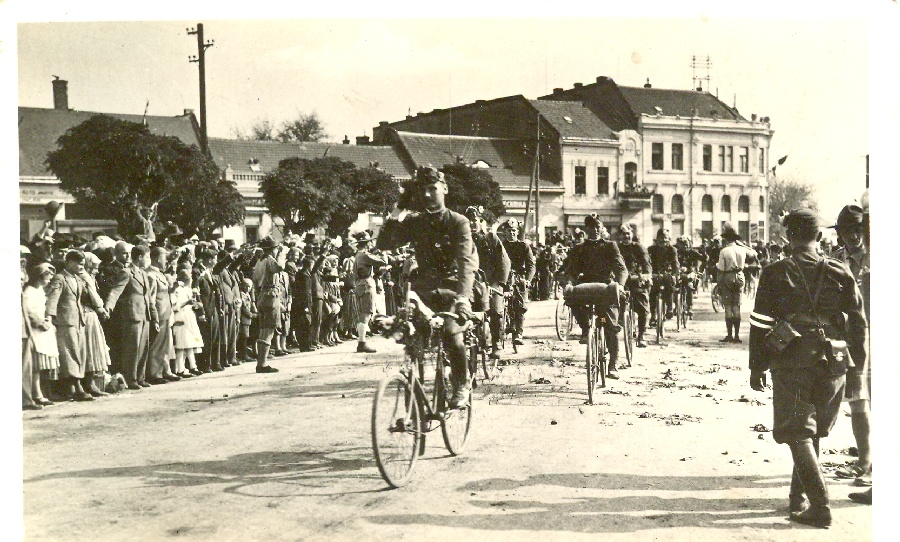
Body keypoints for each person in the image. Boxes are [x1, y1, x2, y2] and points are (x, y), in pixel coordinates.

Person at [748, 209, 867, 528]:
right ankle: (796, 499)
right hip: (835, 360)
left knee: (798, 429)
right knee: (810, 428)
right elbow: (858, 322)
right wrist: (858, 367)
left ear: (789, 237)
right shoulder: (841, 271)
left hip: (791, 358)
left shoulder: (774, 272)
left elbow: (760, 323)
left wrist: (757, 366)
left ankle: (820, 504)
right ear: (818, 237)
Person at [378, 165, 479, 408]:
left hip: (453, 291)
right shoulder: (416, 222)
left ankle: (461, 384)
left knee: (453, 337)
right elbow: (385, 243)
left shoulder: (458, 222)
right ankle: (414, 393)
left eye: (433, 189)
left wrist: (463, 298)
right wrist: (397, 211)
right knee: (412, 340)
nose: (427, 195)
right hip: (422, 292)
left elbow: (466, 261)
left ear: (444, 189)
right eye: (423, 190)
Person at [829, 205, 872, 491]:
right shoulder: (835, 260)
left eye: (857, 230)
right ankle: (865, 461)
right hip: (851, 337)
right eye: (846, 231)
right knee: (858, 399)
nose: (852, 236)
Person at [564, 213, 629, 379]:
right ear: (586, 229)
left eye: (597, 226)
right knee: (570, 298)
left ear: (602, 228)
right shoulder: (579, 248)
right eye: (591, 227)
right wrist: (570, 283)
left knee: (610, 325)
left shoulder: (610, 246)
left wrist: (620, 285)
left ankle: (613, 365)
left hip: (605, 290)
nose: (594, 230)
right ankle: (586, 328)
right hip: (584, 290)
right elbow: (571, 270)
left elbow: (621, 268)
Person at [46, 250, 94, 400]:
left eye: (83, 264)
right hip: (65, 321)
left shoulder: (78, 279)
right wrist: (49, 317)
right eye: (79, 264)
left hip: (78, 320)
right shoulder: (60, 278)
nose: (81, 267)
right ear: (69, 262)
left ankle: (73, 387)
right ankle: (76, 387)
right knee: (70, 354)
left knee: (78, 352)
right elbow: (53, 299)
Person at [465, 206, 511, 360]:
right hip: (470, 284)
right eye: (469, 221)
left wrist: (499, 283)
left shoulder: (492, 239)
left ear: (481, 221)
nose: (472, 224)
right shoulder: (464, 240)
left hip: (492, 283)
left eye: (475, 220)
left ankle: (497, 342)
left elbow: (504, 262)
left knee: (496, 311)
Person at [23, 262, 60, 408]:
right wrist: (40, 323)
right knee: (36, 365)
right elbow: (29, 312)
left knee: (44, 365)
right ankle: (37, 394)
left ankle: (45, 392)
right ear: (40, 276)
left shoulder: (40, 291)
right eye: (47, 276)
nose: (50, 279)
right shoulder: (29, 292)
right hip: (36, 330)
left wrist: (47, 320)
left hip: (44, 330)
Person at [498, 218, 535, 346]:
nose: (511, 233)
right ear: (505, 232)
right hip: (504, 277)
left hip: (519, 278)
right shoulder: (501, 246)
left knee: (520, 305)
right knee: (497, 303)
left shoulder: (523, 246)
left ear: (517, 232)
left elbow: (531, 265)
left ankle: (518, 333)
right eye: (509, 231)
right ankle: (499, 331)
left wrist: (528, 280)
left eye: (514, 231)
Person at [146, 246, 180, 384]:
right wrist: (154, 316)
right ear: (157, 258)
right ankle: (155, 373)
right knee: (157, 344)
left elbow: (164, 292)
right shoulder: (150, 275)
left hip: (166, 312)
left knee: (166, 344)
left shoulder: (159, 273)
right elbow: (151, 298)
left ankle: (165, 370)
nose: (165, 260)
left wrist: (174, 288)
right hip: (159, 314)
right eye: (164, 257)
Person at [80, 252, 112, 396]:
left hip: (90, 313)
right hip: (87, 314)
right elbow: (94, 298)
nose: (97, 270)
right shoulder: (85, 277)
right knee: (91, 348)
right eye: (94, 267)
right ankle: (89, 384)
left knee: (91, 348)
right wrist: (102, 309)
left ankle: (90, 383)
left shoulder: (89, 277)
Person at [251, 236, 284, 373]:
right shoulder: (270, 260)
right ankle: (262, 363)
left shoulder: (259, 261)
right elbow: (280, 267)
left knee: (263, 329)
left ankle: (261, 362)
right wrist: (281, 254)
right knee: (269, 329)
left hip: (262, 295)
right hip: (271, 294)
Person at [617, 223, 652, 348]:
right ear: (619, 236)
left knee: (642, 306)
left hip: (636, 279)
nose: (626, 236)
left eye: (628, 234)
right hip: (621, 281)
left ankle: (641, 335)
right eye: (623, 234)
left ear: (632, 234)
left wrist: (647, 274)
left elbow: (646, 262)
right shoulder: (616, 248)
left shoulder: (639, 248)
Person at [352, 231, 387, 353]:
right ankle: (362, 343)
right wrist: (382, 252)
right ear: (366, 243)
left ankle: (362, 341)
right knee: (366, 313)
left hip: (361, 283)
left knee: (364, 313)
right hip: (366, 284)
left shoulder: (359, 254)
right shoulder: (365, 255)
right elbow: (382, 261)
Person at [716, 224, 751, 343]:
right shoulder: (742, 250)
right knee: (737, 306)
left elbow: (721, 269)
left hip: (728, 277)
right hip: (740, 276)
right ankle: (737, 336)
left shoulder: (724, 251)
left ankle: (729, 335)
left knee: (728, 307)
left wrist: (719, 284)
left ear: (726, 239)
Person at [171, 268, 204, 377]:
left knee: (189, 343)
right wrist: (186, 302)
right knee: (181, 344)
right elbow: (175, 306)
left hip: (189, 317)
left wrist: (196, 305)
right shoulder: (176, 290)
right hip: (180, 318)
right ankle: (180, 369)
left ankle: (193, 366)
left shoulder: (188, 289)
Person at [647, 228, 679, 326]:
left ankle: (669, 308)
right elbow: (647, 262)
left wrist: (674, 274)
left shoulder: (672, 250)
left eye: (665, 238)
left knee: (669, 285)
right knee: (652, 292)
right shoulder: (651, 249)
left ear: (669, 239)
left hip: (667, 273)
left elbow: (675, 263)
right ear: (657, 239)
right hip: (654, 273)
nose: (663, 240)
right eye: (661, 238)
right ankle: (653, 316)